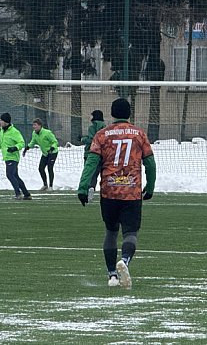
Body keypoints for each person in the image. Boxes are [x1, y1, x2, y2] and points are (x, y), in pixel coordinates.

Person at [76, 98, 156, 289]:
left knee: (111, 232)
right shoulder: (139, 134)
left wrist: (83, 187)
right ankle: (125, 260)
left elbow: (92, 162)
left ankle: (112, 274)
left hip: (109, 192)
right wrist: (150, 186)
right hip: (132, 192)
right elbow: (150, 163)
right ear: (129, 114)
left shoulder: (102, 135)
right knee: (130, 232)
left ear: (112, 114)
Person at [0, 112, 32, 200]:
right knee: (15, 176)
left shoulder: (14, 132)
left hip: (13, 157)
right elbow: (0, 144)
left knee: (9, 174)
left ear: (5, 122)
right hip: (7, 157)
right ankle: (27, 194)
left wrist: (14, 148)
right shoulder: (2, 131)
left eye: (1, 120)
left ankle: (18, 194)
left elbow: (22, 143)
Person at [23, 118, 59, 191]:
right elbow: (33, 142)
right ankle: (45, 185)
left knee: (50, 167)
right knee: (41, 168)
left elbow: (55, 142)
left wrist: (52, 148)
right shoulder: (34, 133)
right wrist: (27, 148)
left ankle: (51, 186)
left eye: (35, 125)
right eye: (33, 125)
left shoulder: (47, 133)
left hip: (52, 153)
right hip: (45, 153)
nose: (34, 127)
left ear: (40, 126)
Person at [81, 110, 107, 200]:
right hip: (103, 154)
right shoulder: (105, 128)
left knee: (90, 173)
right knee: (100, 173)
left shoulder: (92, 127)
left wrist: (83, 139)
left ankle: (89, 189)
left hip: (91, 153)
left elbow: (92, 140)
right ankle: (103, 190)